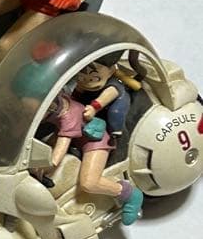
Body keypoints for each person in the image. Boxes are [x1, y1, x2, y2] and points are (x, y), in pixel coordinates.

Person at [43, 88, 143, 225]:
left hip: (94, 141)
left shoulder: (68, 116)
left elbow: (56, 157)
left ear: (50, 106)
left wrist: (41, 166)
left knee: (89, 183)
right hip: (75, 136)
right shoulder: (60, 98)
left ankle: (130, 195)